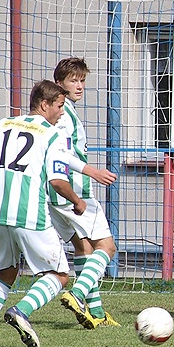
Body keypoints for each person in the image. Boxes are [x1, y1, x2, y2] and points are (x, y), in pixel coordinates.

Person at [0, 81, 115, 347]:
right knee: (59, 275)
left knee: (7, 272)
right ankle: (21, 311)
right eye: (59, 106)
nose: (62, 112)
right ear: (44, 104)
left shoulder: (2, 125)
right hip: (29, 213)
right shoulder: (51, 134)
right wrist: (78, 201)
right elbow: (58, 181)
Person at [51, 57, 121, 328]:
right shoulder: (63, 114)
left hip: (54, 194)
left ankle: (97, 314)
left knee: (84, 247)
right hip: (73, 190)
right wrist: (92, 171)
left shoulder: (63, 111)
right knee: (107, 246)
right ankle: (78, 294)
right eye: (73, 81)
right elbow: (62, 154)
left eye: (82, 81)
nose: (79, 86)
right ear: (59, 84)